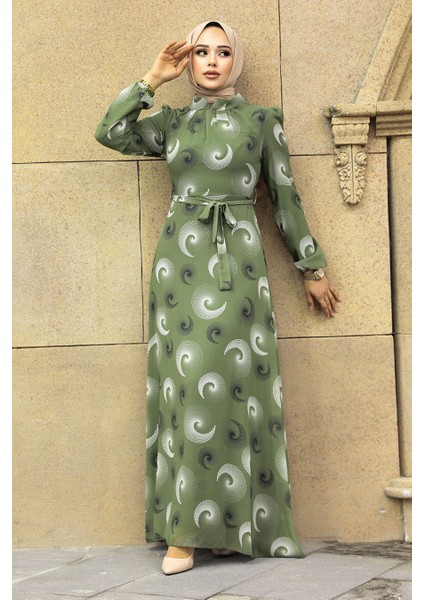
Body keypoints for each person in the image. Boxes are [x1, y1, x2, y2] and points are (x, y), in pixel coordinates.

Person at [95, 19, 341, 576]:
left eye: (223, 51)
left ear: (236, 61)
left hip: (239, 266)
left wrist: (311, 266)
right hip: (178, 270)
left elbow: (286, 197)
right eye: (201, 52)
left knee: (230, 387)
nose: (210, 61)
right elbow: (109, 131)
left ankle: (228, 524)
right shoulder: (172, 123)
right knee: (186, 388)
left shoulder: (262, 121)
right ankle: (186, 532)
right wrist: (153, 79)